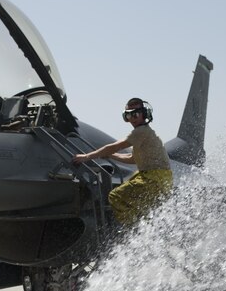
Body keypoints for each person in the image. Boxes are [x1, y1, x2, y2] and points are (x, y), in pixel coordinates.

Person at [72, 97, 173, 227]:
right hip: (160, 179)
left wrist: (86, 156)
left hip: (153, 178)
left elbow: (114, 146)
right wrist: (111, 156)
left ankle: (133, 230)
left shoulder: (141, 132)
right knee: (141, 208)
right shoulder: (146, 134)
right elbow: (132, 159)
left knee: (115, 196)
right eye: (128, 115)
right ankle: (144, 229)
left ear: (144, 114)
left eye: (135, 114)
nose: (132, 118)